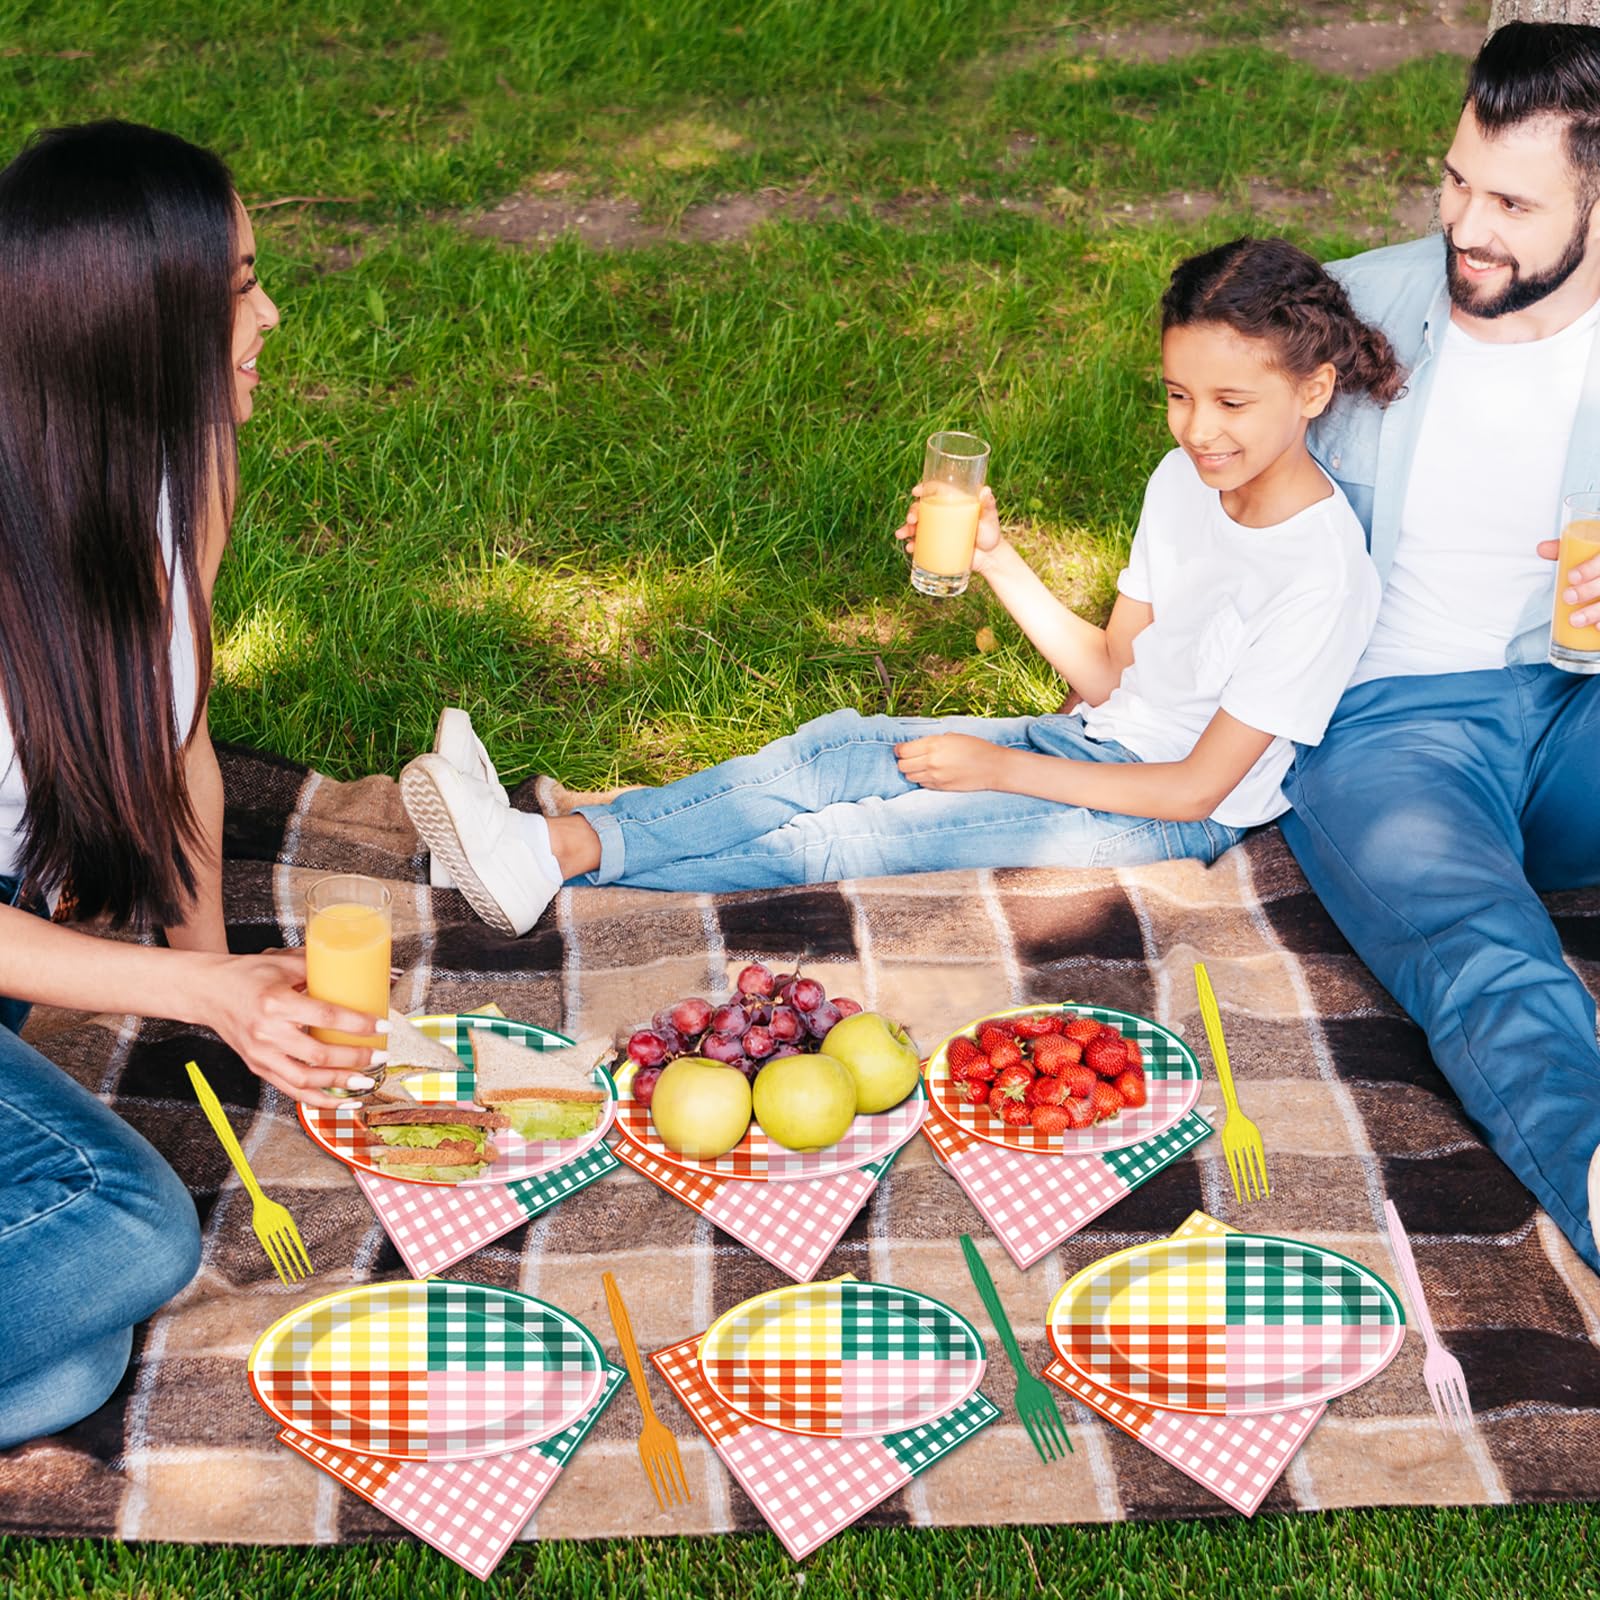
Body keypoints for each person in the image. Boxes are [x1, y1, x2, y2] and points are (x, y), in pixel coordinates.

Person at [401, 238, 1398, 946]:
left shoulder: (1320, 574)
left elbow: (1193, 787)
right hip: (1097, 744)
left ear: (1311, 391)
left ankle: (543, 853)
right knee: (832, 749)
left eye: (1231, 402)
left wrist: (998, 768)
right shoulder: (1182, 480)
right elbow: (1112, 674)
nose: (1197, 428)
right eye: (1178, 394)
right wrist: (999, 557)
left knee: (848, 834)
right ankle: (531, 850)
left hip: (1168, 809)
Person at [0, 123, 384, 1450]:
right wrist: (192, 987)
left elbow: (178, 743)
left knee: (60, 1377)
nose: (271, 316)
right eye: (233, 293)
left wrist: (219, 987)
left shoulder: (184, 471)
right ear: (128, 328)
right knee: (127, 1229)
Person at [1277, 21, 1600, 1275]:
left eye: (1513, 202)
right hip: (1391, 717)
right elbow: (1202, 487)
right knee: (1476, 942)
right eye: (1458, 179)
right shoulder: (1354, 310)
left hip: (1575, 701)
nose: (1467, 222)